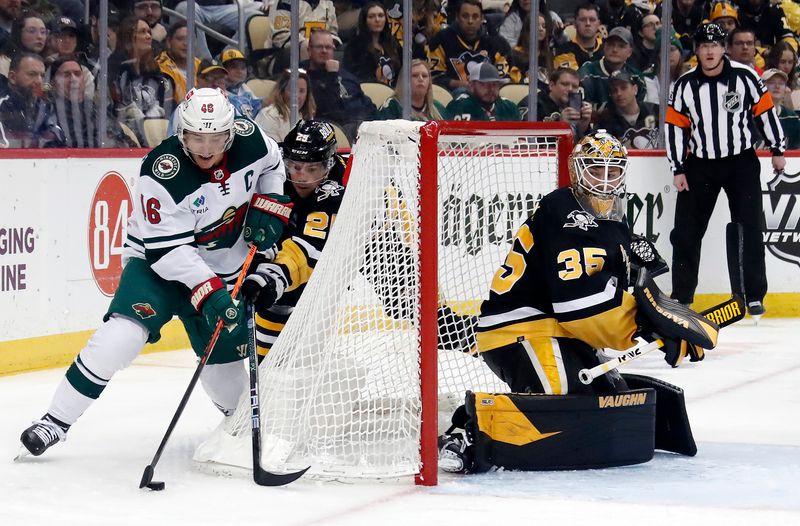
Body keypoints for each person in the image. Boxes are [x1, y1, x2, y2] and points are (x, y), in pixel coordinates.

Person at [17, 87, 292, 458]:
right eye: (196, 137)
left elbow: (275, 166)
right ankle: (55, 421)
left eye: (215, 138)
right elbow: (169, 252)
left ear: (231, 132)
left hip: (225, 268)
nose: (206, 148)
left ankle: (238, 427)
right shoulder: (163, 170)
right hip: (158, 267)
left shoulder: (251, 139)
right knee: (122, 336)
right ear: (182, 133)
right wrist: (208, 291)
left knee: (225, 374)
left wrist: (270, 200)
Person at [438, 130, 717, 473]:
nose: (603, 179)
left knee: (607, 398)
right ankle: (465, 431)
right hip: (519, 329)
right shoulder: (564, 210)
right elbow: (578, 305)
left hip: (563, 332)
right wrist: (645, 327)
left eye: (612, 170)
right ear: (576, 169)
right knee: (559, 401)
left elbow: (618, 293)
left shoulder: (614, 219)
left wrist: (663, 319)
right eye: (594, 168)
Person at [665, 23, 785, 316]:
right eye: (704, 46)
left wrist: (777, 148)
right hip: (700, 165)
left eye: (715, 45)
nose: (709, 51)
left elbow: (764, 112)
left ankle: (753, 294)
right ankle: (682, 296)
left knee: (750, 228)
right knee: (686, 232)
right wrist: (677, 167)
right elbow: (675, 128)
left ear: (723, 49)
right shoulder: (683, 85)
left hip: (740, 163)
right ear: (696, 50)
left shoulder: (745, 78)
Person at [243, 119, 347, 357]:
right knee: (267, 359)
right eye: (295, 166)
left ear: (329, 163)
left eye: (313, 169)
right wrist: (258, 259)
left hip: (347, 249)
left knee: (289, 293)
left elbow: (309, 248)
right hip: (289, 239)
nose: (301, 176)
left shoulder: (338, 186)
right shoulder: (272, 167)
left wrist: (271, 278)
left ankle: (436, 318)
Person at [302, 29, 376, 140]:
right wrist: (332, 76)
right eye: (319, 47)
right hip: (331, 135)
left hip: (363, 131)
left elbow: (367, 105)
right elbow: (330, 111)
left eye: (328, 47)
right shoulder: (303, 79)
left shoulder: (346, 75)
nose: (324, 51)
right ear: (309, 51)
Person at [427, 0, 517, 91]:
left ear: (482, 18)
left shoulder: (495, 42)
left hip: (489, 95)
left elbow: (504, 78)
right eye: (465, 16)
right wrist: (463, 85)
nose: (470, 21)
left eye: (475, 17)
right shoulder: (442, 39)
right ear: (457, 17)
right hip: (454, 97)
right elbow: (435, 77)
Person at [48, 57, 136, 148]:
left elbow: (125, 140)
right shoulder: (51, 110)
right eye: (66, 75)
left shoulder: (96, 109)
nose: (73, 79)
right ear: (53, 83)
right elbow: (73, 143)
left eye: (77, 74)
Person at [0, 52, 63, 148]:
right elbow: (6, 145)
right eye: (32, 74)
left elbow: (57, 140)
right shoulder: (2, 106)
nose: (39, 81)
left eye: (42, 75)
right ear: (12, 77)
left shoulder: (46, 107)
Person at [173, 0, 263, 59]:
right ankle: (204, 63)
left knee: (255, 18)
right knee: (187, 7)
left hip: (222, 8)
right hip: (190, 4)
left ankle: (224, 61)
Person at [579, 26, 644, 106]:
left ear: (630, 52)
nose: (615, 50)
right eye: (611, 44)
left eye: (621, 46)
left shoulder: (637, 77)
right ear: (604, 47)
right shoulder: (587, 73)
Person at [518, 67, 592, 137]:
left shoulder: (577, 105)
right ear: (551, 85)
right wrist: (559, 126)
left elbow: (585, 144)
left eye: (575, 86)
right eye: (565, 84)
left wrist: (584, 126)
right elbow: (524, 138)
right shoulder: (532, 104)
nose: (570, 89)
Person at [596, 69, 659, 149]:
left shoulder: (656, 111)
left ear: (635, 89)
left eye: (623, 88)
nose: (619, 93)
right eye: (614, 90)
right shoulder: (605, 121)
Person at [343, 1, 401, 86]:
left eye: (381, 16)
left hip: (394, 94)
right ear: (365, 20)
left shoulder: (392, 43)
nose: (377, 20)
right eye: (371, 16)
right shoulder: (355, 46)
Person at [255, 68, 316, 142]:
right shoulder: (268, 116)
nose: (297, 96)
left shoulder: (307, 117)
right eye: (292, 90)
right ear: (282, 91)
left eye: (302, 91)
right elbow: (273, 151)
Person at [445, 61, 520, 121]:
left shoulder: (509, 108)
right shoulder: (459, 106)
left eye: (494, 84)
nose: (491, 89)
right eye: (484, 84)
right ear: (471, 86)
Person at [375, 59, 446, 120]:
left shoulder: (438, 108)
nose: (421, 79)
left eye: (424, 76)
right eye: (414, 75)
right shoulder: (392, 106)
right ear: (404, 80)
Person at [156, 20, 200, 104]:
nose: (186, 43)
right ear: (169, 42)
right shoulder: (158, 66)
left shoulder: (201, 65)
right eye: (180, 39)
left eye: (191, 39)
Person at [553, 3, 603, 71]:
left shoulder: (607, 47)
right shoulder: (565, 51)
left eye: (592, 20)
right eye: (582, 20)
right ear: (574, 23)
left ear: (599, 24)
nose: (588, 23)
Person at [759, 68, 800, 149]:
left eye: (781, 83)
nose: (777, 86)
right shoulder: (748, 116)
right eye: (771, 83)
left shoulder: (792, 118)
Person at [221, 48, 261, 120]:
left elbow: (258, 106)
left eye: (243, 68)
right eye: (233, 67)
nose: (239, 71)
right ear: (223, 70)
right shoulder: (219, 90)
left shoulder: (243, 87)